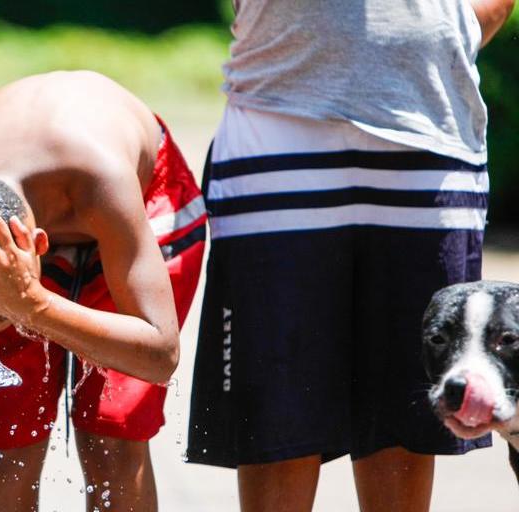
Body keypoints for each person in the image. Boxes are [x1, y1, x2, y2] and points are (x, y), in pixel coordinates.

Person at [186, 1, 516, 511]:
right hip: (279, 120)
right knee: (276, 414)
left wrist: (462, 24)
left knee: (405, 409)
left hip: (429, 129)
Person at [0, 70, 206, 512]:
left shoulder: (101, 176)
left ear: (36, 248)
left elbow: (160, 353)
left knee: (112, 436)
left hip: (143, 198)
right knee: (6, 446)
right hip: (23, 218)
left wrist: (32, 305)